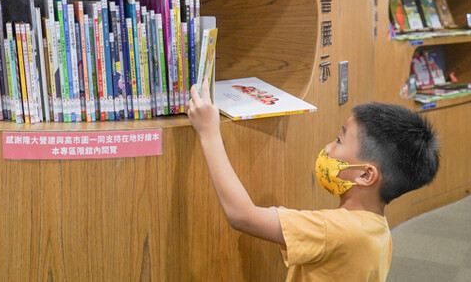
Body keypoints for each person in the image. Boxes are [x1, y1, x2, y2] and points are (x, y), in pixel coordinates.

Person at [188, 79, 440, 281]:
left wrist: (209, 132)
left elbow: (241, 216)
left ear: (366, 175)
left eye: (339, 141)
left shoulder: (335, 231)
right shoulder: (377, 229)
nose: (328, 148)